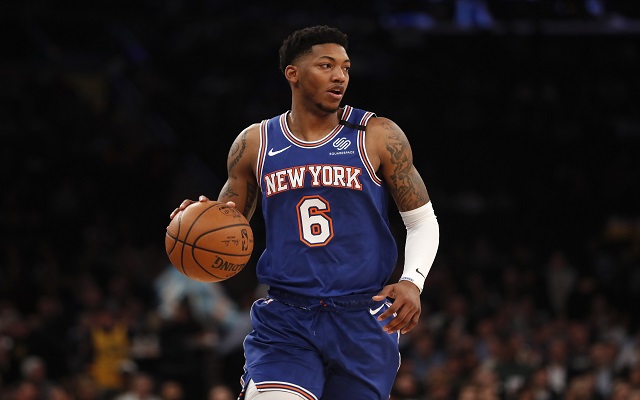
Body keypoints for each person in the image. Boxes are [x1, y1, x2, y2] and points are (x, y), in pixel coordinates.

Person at [170, 25, 439, 399]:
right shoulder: (255, 143)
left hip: (362, 315)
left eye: (345, 67)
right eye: (326, 65)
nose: (339, 76)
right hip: (287, 317)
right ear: (292, 74)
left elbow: (422, 219)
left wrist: (413, 280)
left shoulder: (377, 134)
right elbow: (228, 226)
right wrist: (197, 220)